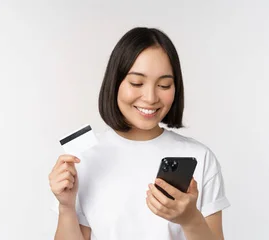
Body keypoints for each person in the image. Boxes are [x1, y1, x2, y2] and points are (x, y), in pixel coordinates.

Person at [49, 27, 230, 240]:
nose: (150, 97)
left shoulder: (200, 158)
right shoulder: (84, 156)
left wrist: (190, 219)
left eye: (164, 85)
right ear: (115, 83)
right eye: (136, 83)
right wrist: (66, 207)